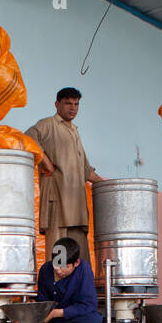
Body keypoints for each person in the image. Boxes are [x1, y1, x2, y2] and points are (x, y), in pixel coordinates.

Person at [25, 87, 106, 264]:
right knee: (58, 254)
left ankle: (78, 290)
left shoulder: (75, 131)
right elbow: (28, 138)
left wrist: (106, 185)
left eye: (76, 104)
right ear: (57, 104)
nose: (73, 108)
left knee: (80, 256)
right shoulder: (48, 125)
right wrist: (45, 162)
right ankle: (57, 290)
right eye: (68, 103)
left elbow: (86, 171)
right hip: (57, 202)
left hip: (77, 206)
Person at [36, 236, 102, 323]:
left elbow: (89, 305)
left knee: (93, 320)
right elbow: (42, 301)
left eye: (65, 267)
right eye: (56, 265)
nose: (59, 271)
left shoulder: (83, 269)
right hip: (51, 319)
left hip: (72, 316)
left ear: (76, 263)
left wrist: (55, 313)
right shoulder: (45, 269)